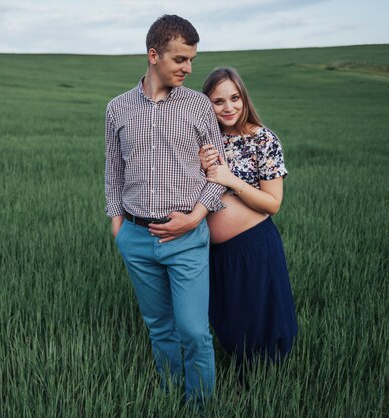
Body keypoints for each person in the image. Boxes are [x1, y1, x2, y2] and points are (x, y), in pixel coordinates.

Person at [105, 15, 227, 405]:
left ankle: (201, 405)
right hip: (137, 238)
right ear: (153, 55)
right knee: (159, 327)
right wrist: (118, 225)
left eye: (192, 59)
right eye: (180, 59)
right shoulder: (117, 108)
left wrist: (195, 217)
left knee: (193, 330)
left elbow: (219, 172)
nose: (188, 68)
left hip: (188, 237)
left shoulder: (199, 106)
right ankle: (171, 396)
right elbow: (113, 170)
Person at [198, 67, 298, 370]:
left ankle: (266, 384)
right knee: (229, 318)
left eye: (234, 98)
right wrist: (198, 167)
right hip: (215, 250)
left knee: (260, 316)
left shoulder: (263, 139)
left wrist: (231, 179)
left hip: (254, 246)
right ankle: (240, 375)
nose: (229, 107)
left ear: (244, 98)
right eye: (218, 101)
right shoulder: (203, 140)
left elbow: (273, 203)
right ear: (206, 105)